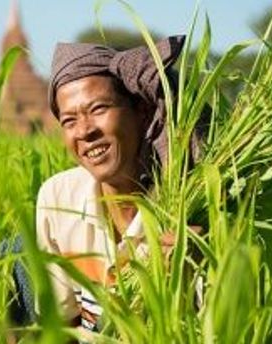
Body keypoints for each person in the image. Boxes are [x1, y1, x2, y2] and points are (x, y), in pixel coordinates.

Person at [36, 35, 202, 332]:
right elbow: (61, 327)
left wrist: (186, 280)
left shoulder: (187, 211)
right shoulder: (58, 197)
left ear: (141, 111)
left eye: (99, 109)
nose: (85, 131)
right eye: (69, 121)